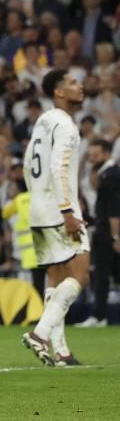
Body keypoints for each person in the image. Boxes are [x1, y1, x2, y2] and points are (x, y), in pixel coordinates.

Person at [22, 70, 90, 368]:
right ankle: (40, 334)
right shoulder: (66, 126)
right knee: (80, 275)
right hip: (60, 210)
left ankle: (61, 352)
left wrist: (37, 197)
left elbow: (27, 164)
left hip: (38, 206)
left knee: (56, 278)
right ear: (59, 92)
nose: (81, 86)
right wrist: (67, 211)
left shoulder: (44, 120)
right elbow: (58, 167)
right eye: (73, 83)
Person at [83, 138, 119, 328]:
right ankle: (99, 315)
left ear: (106, 153)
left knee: (104, 273)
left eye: (95, 155)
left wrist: (116, 236)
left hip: (109, 231)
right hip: (104, 229)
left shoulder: (111, 174)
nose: (92, 158)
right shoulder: (105, 173)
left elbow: (114, 208)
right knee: (101, 273)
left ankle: (100, 315)